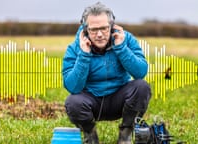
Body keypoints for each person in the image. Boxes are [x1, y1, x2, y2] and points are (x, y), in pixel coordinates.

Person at [62, 2, 151, 144]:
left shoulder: (126, 39)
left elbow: (140, 72)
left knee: (142, 87)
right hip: (91, 102)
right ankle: (90, 136)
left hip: (120, 99)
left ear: (112, 26)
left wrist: (121, 48)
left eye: (104, 28)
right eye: (93, 30)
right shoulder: (74, 48)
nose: (99, 34)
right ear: (85, 30)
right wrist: (84, 55)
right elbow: (73, 87)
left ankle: (125, 135)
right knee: (73, 102)